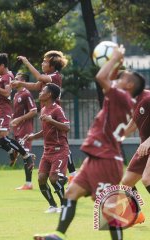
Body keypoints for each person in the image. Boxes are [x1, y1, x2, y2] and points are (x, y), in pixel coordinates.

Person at [33, 46, 145, 240]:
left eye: (123, 78)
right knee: (71, 193)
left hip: (107, 161)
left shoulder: (121, 97)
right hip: (96, 159)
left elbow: (101, 77)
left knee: (108, 209)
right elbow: (107, 78)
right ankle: (59, 235)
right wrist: (117, 63)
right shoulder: (118, 97)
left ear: (129, 87)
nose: (117, 79)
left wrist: (115, 58)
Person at [12, 51, 77, 182]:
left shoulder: (55, 76)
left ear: (52, 66)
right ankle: (73, 176)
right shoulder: (47, 77)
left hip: (55, 114)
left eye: (45, 61)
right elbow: (36, 85)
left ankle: (73, 176)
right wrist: (21, 84)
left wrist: (26, 62)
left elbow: (39, 78)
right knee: (60, 145)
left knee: (62, 145)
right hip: (47, 113)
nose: (42, 63)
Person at [0, 53, 35, 170]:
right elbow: (2, 93)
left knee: (3, 137)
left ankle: (26, 156)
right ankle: (10, 150)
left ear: (2, 65)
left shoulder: (8, 76)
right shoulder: (1, 77)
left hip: (2, 111)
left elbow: (7, 93)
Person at [25, 83, 70, 213]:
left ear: (49, 94)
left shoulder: (57, 109)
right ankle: (52, 205)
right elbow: (46, 130)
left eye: (43, 91)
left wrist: (51, 120)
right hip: (47, 151)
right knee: (41, 178)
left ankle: (64, 205)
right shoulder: (44, 109)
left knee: (53, 179)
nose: (40, 93)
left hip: (59, 150)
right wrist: (33, 136)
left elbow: (66, 127)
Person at [120, 82, 149, 225]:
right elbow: (133, 122)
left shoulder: (148, 98)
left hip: (148, 144)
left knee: (147, 179)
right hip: (145, 146)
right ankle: (137, 214)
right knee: (127, 182)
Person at [11, 73, 37, 190]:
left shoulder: (26, 94)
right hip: (17, 129)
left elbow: (34, 111)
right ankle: (31, 157)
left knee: (25, 154)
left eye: (16, 79)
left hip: (25, 128)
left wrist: (20, 119)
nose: (13, 81)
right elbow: (16, 113)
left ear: (23, 80)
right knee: (24, 154)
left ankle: (28, 184)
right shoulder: (16, 94)